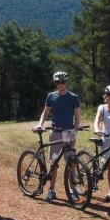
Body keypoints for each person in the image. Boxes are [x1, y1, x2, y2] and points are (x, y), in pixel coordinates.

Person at [32, 71, 81, 201]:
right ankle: (51, 190)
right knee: (53, 162)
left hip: (68, 132)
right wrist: (40, 124)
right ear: (55, 83)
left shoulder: (73, 97)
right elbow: (45, 112)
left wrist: (74, 130)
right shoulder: (51, 96)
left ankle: (72, 190)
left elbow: (77, 117)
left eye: (63, 82)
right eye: (58, 82)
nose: (60, 84)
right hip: (54, 132)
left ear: (66, 82)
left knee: (71, 161)